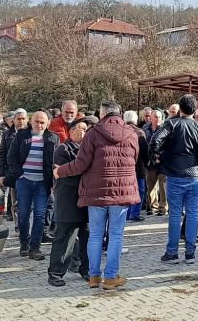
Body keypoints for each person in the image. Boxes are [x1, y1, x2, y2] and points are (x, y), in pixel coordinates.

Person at [53, 102, 139, 290]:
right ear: (119, 114)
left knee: (95, 235)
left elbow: (81, 164)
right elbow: (135, 159)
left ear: (102, 114)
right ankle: (111, 277)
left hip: (96, 192)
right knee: (116, 235)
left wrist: (60, 171)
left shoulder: (92, 134)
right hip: (122, 193)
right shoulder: (132, 133)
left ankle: (93, 276)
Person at [152, 95, 198, 264]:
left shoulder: (171, 124)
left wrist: (159, 158)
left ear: (180, 108)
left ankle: (172, 252)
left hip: (175, 175)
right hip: (194, 176)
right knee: (192, 214)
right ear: (194, 110)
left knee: (174, 215)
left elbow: (155, 140)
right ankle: (190, 252)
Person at [6, 111, 59, 261]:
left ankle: (35, 247)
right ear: (31, 121)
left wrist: (53, 181)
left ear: (48, 123)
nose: (39, 125)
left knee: (40, 215)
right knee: (23, 214)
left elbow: (56, 160)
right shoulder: (22, 136)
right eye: (37, 122)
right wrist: (19, 174)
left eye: (43, 122)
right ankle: (24, 242)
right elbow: (11, 157)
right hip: (25, 181)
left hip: (42, 182)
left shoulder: (53, 138)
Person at [48, 120, 91, 287]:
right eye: (81, 128)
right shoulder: (63, 149)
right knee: (64, 238)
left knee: (87, 238)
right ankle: (56, 273)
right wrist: (86, 178)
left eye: (86, 129)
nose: (84, 132)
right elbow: (64, 175)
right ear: (71, 131)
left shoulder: (88, 149)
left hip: (86, 200)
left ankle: (86, 269)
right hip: (68, 200)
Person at [0, 109, 28, 220]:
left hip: (30, 173)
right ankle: (19, 227)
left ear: (27, 120)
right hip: (14, 174)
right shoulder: (7, 134)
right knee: (16, 203)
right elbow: (1, 155)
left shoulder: (33, 134)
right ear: (14, 120)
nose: (21, 121)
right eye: (18, 119)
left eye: (23, 119)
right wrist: (1, 174)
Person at [123, 111, 149, 223]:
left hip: (124, 167)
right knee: (139, 190)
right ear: (136, 119)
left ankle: (126, 213)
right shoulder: (140, 133)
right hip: (139, 166)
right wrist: (148, 162)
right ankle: (135, 213)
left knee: (126, 191)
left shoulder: (121, 131)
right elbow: (145, 151)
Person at [144, 110, 168, 216]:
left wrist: (160, 156)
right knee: (151, 185)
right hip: (150, 162)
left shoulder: (166, 130)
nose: (157, 119)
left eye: (159, 117)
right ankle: (153, 206)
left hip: (163, 162)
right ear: (151, 118)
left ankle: (163, 207)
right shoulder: (145, 130)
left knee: (163, 185)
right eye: (155, 117)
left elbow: (168, 145)